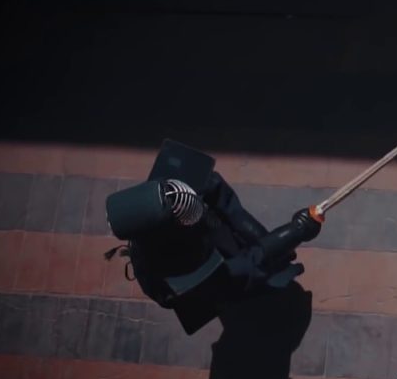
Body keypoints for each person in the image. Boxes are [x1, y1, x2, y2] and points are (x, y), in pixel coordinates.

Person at [104, 139, 324, 335]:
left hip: (203, 240)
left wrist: (263, 237)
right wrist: (293, 233)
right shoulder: (176, 273)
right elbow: (245, 267)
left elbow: (223, 198)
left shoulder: (175, 193)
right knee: (238, 284)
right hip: (203, 275)